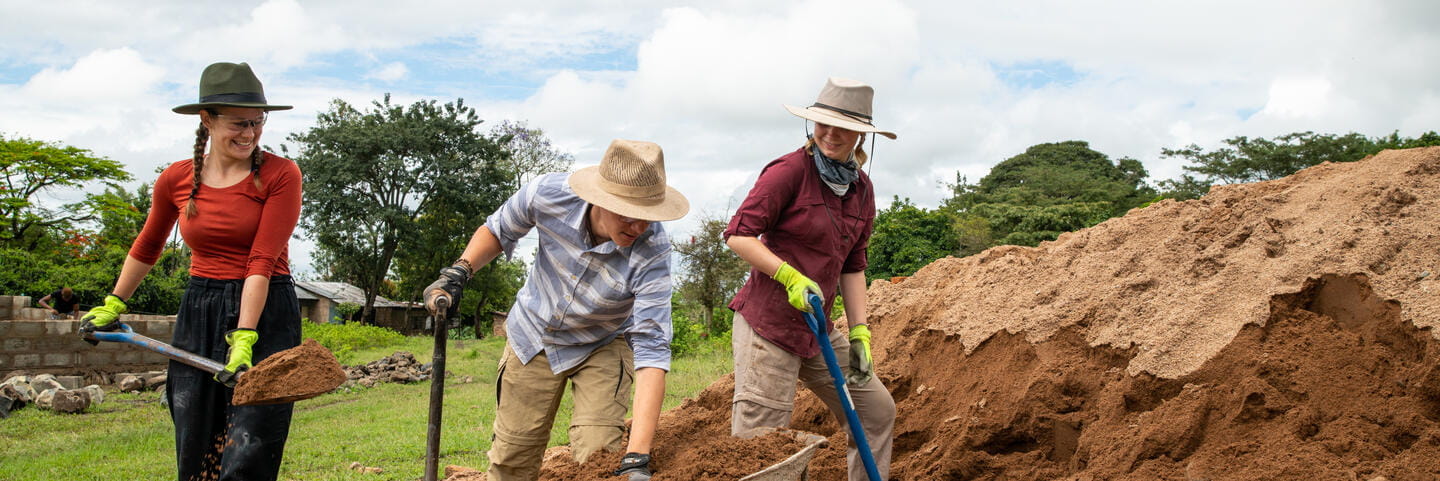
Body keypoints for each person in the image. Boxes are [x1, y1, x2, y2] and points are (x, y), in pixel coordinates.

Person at [77, 62, 302, 481]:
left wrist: (244, 337)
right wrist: (113, 303)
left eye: (257, 123)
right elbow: (148, 245)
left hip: (265, 309)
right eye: (238, 123)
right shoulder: (176, 179)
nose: (249, 134)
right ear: (207, 119)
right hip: (200, 308)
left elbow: (262, 259)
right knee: (194, 435)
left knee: (250, 446)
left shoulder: (280, 174)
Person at [424, 139, 689, 481]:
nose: (638, 227)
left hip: (603, 342)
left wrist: (637, 457)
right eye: (628, 215)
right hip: (534, 335)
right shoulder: (547, 193)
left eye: (646, 217)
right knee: (512, 459)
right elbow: (498, 229)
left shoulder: (652, 248)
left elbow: (653, 348)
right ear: (601, 199)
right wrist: (461, 270)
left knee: (599, 455)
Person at [724, 77, 898, 480]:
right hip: (767, 326)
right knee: (762, 444)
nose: (830, 134)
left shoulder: (862, 190)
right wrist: (788, 275)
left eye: (843, 127)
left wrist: (860, 334)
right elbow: (738, 234)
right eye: (823, 123)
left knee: (875, 412)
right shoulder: (789, 172)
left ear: (861, 136)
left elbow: (854, 265)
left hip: (817, 328)